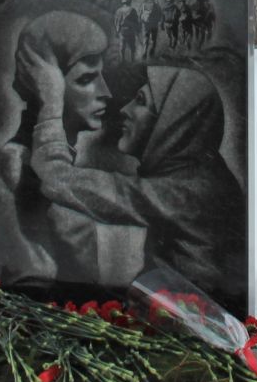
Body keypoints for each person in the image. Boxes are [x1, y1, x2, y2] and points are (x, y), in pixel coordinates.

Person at [20, 58, 245, 311]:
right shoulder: (201, 173)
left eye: (140, 101)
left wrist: (50, 102)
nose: (124, 109)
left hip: (193, 322)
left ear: (173, 120)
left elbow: (56, 178)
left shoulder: (187, 192)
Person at [0, 12, 125, 290]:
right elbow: (32, 276)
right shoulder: (16, 164)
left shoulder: (60, 159)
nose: (105, 92)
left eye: (101, 76)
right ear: (48, 87)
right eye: (86, 80)